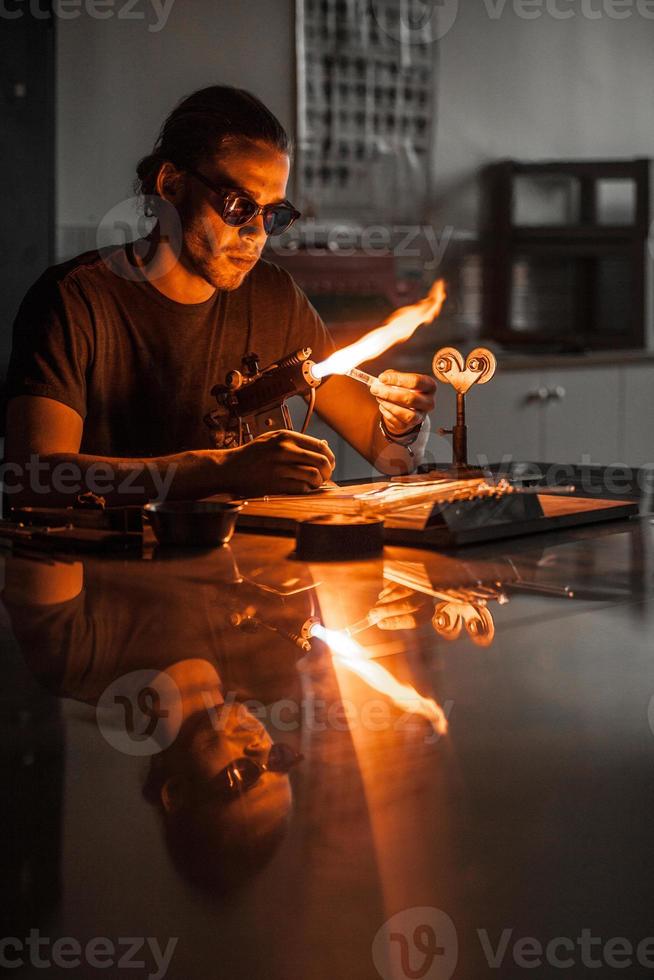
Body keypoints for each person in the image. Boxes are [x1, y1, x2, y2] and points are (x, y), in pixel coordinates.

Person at [3, 86, 436, 507]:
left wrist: (402, 427)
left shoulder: (273, 297)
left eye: (274, 214)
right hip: (105, 571)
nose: (256, 233)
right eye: (238, 206)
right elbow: (35, 477)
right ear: (171, 184)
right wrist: (219, 470)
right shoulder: (76, 300)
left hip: (245, 570)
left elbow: (390, 457)